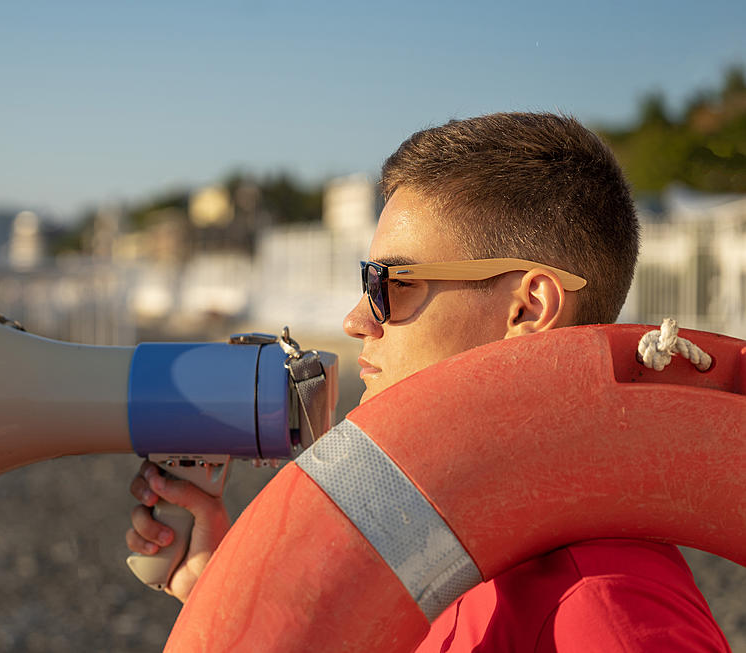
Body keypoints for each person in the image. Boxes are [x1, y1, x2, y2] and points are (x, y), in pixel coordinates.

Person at [125, 112, 731, 650]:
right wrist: (234, 604)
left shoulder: (602, 615)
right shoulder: (445, 558)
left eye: (393, 284)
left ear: (527, 307)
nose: (356, 319)